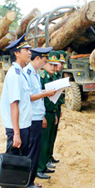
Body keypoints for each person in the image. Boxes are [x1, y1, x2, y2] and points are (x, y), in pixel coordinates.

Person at [0, 35, 34, 188]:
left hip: (23, 125)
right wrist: (17, 134)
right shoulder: (14, 75)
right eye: (26, 50)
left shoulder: (21, 73)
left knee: (20, 161)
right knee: (13, 163)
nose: (30, 52)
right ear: (17, 53)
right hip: (16, 128)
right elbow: (14, 105)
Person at [24, 46, 57, 188]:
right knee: (30, 152)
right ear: (37, 58)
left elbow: (36, 92)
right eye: (44, 61)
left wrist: (45, 92)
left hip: (37, 116)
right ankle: (27, 183)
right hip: (32, 117)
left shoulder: (35, 73)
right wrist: (45, 94)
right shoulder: (28, 73)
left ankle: (31, 181)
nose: (44, 64)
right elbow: (29, 97)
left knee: (35, 151)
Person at [36, 51, 61, 179]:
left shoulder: (52, 77)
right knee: (43, 142)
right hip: (44, 114)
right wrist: (43, 116)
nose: (53, 67)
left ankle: (44, 165)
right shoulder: (41, 77)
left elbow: (54, 100)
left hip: (51, 112)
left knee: (49, 140)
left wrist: (55, 113)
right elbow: (40, 99)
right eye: (50, 64)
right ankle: (39, 168)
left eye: (54, 65)